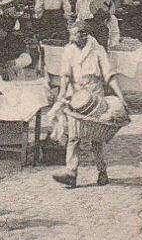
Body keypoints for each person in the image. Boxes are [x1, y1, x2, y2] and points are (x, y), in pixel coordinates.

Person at [51, 25, 130, 188]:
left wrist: (120, 97)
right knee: (73, 136)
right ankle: (71, 173)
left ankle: (102, 171)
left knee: (96, 137)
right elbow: (65, 75)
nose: (72, 38)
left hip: (95, 96)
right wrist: (62, 93)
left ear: (84, 35)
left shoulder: (97, 50)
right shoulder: (69, 50)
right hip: (76, 96)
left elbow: (109, 75)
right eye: (71, 35)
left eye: (75, 35)